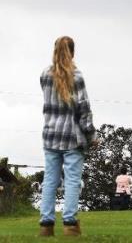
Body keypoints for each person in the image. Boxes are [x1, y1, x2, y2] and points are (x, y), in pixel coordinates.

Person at [39, 37, 95, 237]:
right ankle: (70, 224)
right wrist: (91, 135)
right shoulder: (77, 76)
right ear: (73, 52)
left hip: (50, 135)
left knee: (50, 180)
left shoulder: (45, 75)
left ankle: (46, 225)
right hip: (72, 137)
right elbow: (83, 110)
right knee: (72, 181)